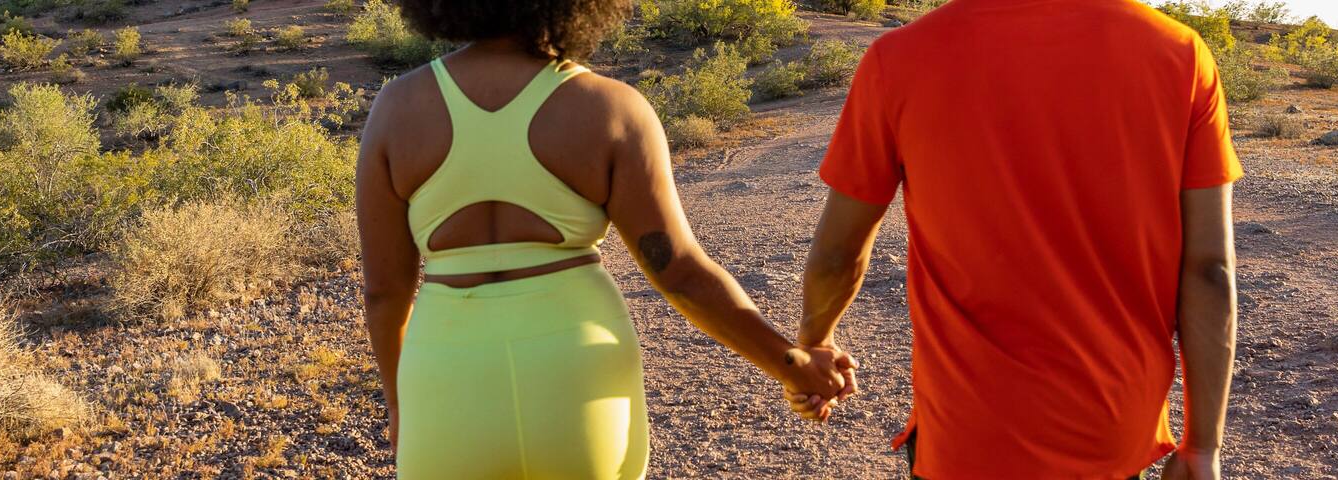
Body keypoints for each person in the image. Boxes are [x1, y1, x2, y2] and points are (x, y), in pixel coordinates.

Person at [353, 1, 852, 478]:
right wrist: (792, 362)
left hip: (446, 374)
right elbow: (679, 272)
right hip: (576, 369)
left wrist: (400, 403)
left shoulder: (397, 108)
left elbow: (385, 291)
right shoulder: (610, 108)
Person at [797, 0, 1243, 478]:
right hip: (1111, 428)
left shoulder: (899, 58)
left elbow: (838, 255)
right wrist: (1202, 446)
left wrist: (815, 343)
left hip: (968, 433)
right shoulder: (1180, 53)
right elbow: (1209, 270)